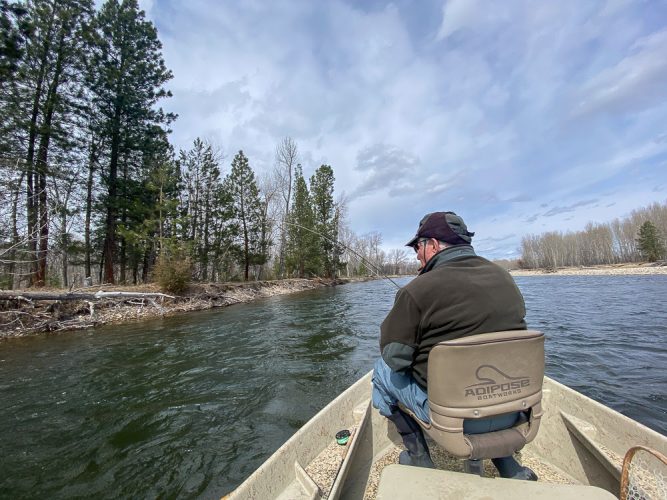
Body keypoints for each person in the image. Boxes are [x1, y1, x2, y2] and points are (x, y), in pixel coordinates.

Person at [371, 211, 537, 480]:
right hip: (513, 411)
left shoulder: (416, 290)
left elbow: (394, 359)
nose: (416, 254)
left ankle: (419, 458)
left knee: (380, 371)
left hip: (456, 422)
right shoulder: (506, 279)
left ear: (433, 245)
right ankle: (508, 465)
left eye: (417, 246)